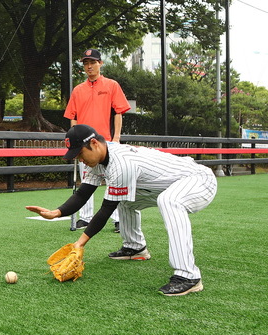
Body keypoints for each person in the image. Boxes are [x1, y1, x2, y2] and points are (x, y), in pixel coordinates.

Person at [26, 125, 217, 296]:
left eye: (80, 154)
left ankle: (188, 276)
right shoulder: (98, 160)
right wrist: (56, 212)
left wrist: (80, 243)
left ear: (94, 143)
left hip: (198, 180)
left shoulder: (121, 163)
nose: (80, 159)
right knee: (126, 199)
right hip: (168, 185)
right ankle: (135, 248)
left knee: (169, 201)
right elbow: (83, 193)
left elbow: (106, 209)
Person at [63, 49, 131, 232]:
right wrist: (74, 138)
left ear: (100, 63)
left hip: (106, 142)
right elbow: (73, 117)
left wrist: (116, 138)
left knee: (114, 179)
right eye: (86, 63)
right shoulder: (78, 90)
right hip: (84, 145)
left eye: (92, 62)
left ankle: (117, 219)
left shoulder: (111, 85)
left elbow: (118, 111)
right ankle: (85, 218)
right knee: (86, 181)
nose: (89, 66)